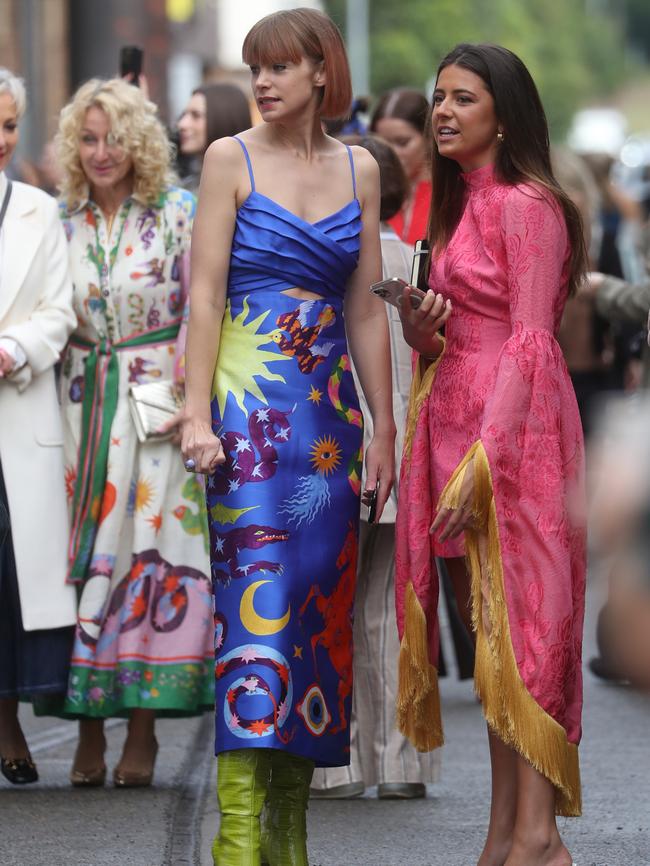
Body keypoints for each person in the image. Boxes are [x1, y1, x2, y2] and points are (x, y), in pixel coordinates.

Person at [180, 8, 395, 865]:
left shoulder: (362, 167)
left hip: (331, 426)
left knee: (317, 619)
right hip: (246, 412)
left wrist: (383, 428)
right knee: (254, 616)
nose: (263, 82)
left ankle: (290, 833)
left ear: (320, 71)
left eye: (279, 67)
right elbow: (201, 297)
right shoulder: (228, 158)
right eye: (254, 68)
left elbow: (367, 310)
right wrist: (195, 415)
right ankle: (238, 838)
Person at [395, 44, 587, 866]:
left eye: (462, 99)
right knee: (489, 644)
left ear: (503, 114)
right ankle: (503, 832)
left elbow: (535, 340)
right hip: (455, 420)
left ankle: (538, 837)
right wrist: (418, 330)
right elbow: (451, 338)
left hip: (519, 434)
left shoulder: (528, 203)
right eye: (438, 97)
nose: (442, 111)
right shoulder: (455, 204)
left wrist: (488, 455)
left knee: (531, 629)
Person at [54, 78, 213, 788]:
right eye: (87, 139)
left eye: (113, 137)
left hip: (154, 405)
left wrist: (189, 392)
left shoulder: (177, 212)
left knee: (148, 553)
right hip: (77, 403)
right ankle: (88, 722)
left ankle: (141, 727)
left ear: (140, 141)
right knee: (83, 558)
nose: (100, 152)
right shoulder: (62, 220)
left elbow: (201, 307)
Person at [310, 133, 439, 801]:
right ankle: (400, 762)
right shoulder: (412, 260)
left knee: (332, 605)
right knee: (390, 606)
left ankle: (336, 761)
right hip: (402, 447)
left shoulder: (327, 260)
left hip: (337, 447)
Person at [0, 68, 77, 784]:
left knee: (11, 579)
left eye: (9, 126)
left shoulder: (38, 209)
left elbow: (59, 309)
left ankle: (8, 721)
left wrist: (16, 348)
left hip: (18, 414)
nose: (1, 141)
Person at [370, 88, 431, 245]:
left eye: (402, 142)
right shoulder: (366, 192)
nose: (391, 153)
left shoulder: (449, 195)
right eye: (381, 143)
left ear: (429, 138)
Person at [177, 82, 252, 193]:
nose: (182, 124)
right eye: (184, 114)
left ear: (224, 119)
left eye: (196, 115)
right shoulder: (186, 186)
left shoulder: (250, 188)